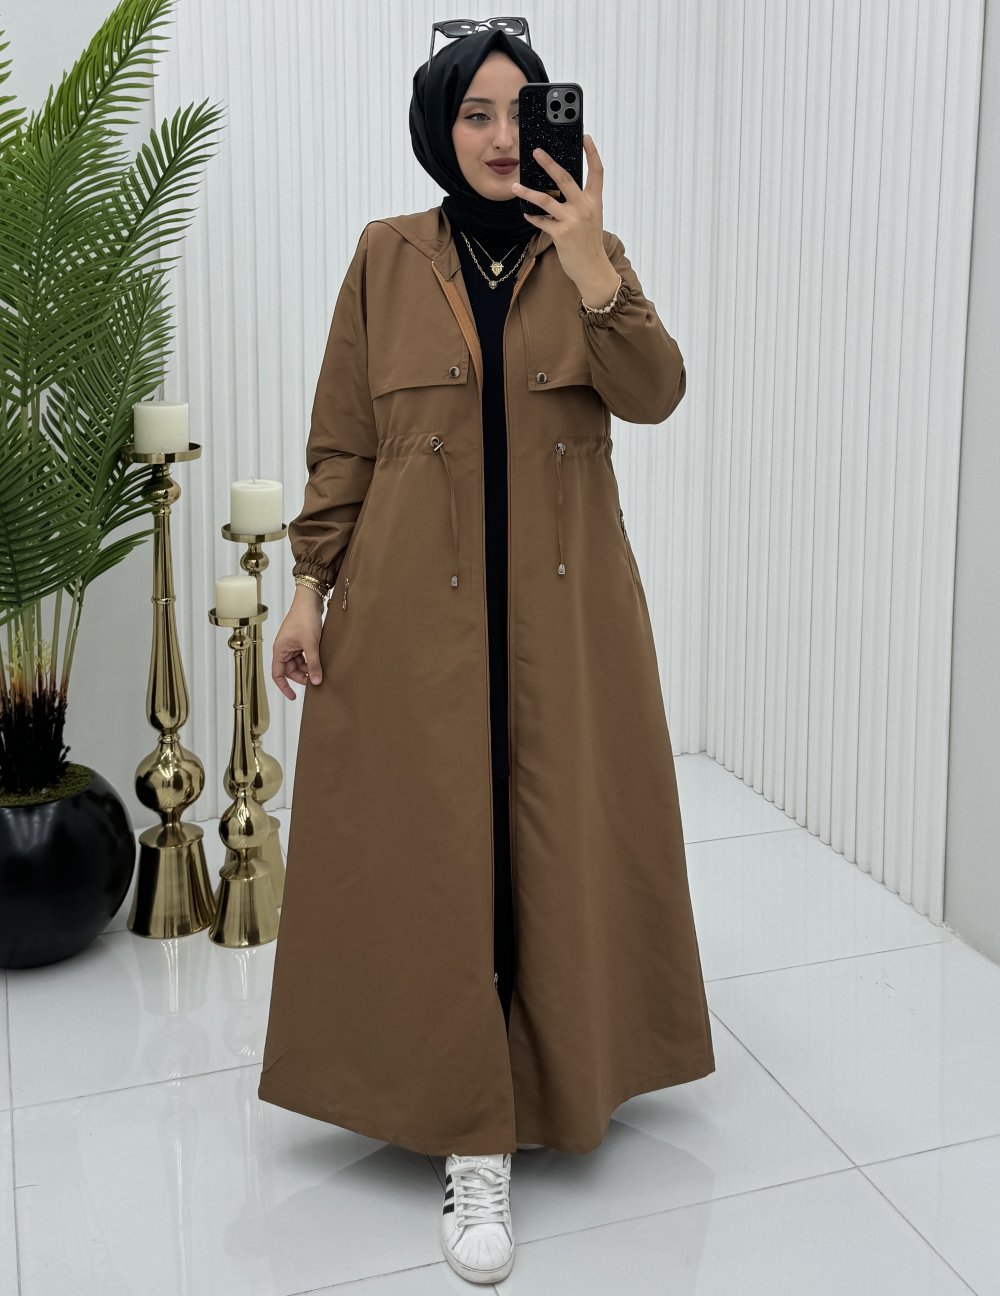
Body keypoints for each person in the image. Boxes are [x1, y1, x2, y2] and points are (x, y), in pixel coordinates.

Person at [259, 21, 715, 1288]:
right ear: (438, 126)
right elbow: (344, 443)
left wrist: (593, 264)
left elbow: (656, 393)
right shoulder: (385, 256)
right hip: (415, 617)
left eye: (523, 110)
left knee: (559, 837)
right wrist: (308, 590)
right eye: (476, 113)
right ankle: (473, 1133)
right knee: (434, 855)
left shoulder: (588, 254)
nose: (503, 137)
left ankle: (561, 1075)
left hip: (566, 623)